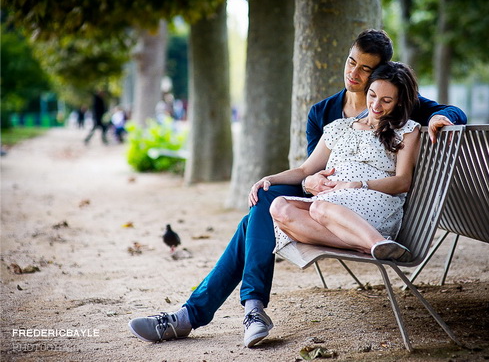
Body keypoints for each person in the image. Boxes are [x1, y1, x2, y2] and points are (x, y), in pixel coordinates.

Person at [128, 29, 467, 348]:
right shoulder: (324, 113)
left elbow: (450, 112)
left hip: (359, 202)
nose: (355, 74)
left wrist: (443, 118)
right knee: (262, 202)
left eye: (366, 69)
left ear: (382, 71)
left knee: (253, 222)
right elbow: (309, 170)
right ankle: (239, 310)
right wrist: (302, 181)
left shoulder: (395, 101)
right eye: (352, 62)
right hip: (321, 196)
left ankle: (211, 313)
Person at [262, 61, 420, 261]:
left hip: (375, 205)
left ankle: (374, 241)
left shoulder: (406, 130)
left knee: (319, 208)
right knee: (279, 207)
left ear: (398, 102)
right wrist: (270, 178)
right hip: (332, 203)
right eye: (372, 95)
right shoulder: (340, 127)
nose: (376, 105)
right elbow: (304, 170)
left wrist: (359, 184)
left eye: (386, 100)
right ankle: (371, 245)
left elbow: (403, 181)